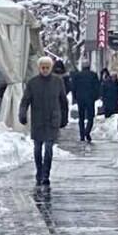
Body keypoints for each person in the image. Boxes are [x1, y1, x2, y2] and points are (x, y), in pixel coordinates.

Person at [18, 55, 68, 187]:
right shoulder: (32, 83)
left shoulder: (58, 82)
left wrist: (64, 118)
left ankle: (46, 174)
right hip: (38, 119)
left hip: (53, 120)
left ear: (51, 68)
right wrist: (22, 114)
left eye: (47, 67)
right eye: (43, 67)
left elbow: (63, 101)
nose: (45, 70)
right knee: (37, 148)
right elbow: (25, 100)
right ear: (39, 68)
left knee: (49, 148)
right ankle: (39, 171)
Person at [71, 59, 101, 142]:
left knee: (81, 117)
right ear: (89, 66)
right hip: (90, 99)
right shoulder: (93, 75)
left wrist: (75, 97)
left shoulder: (77, 76)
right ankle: (87, 131)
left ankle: (82, 135)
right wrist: (95, 97)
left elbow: (73, 87)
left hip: (80, 99)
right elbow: (97, 87)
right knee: (90, 117)